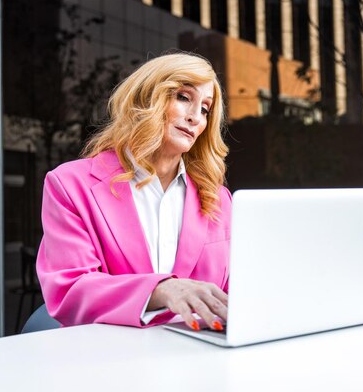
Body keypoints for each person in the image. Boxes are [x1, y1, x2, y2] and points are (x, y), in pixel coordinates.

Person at [36, 52, 231, 332]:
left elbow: (234, 291)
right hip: (110, 360)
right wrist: (162, 290)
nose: (194, 118)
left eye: (205, 109)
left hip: (201, 354)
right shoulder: (69, 184)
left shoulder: (217, 199)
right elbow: (71, 290)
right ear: (146, 98)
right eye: (184, 97)